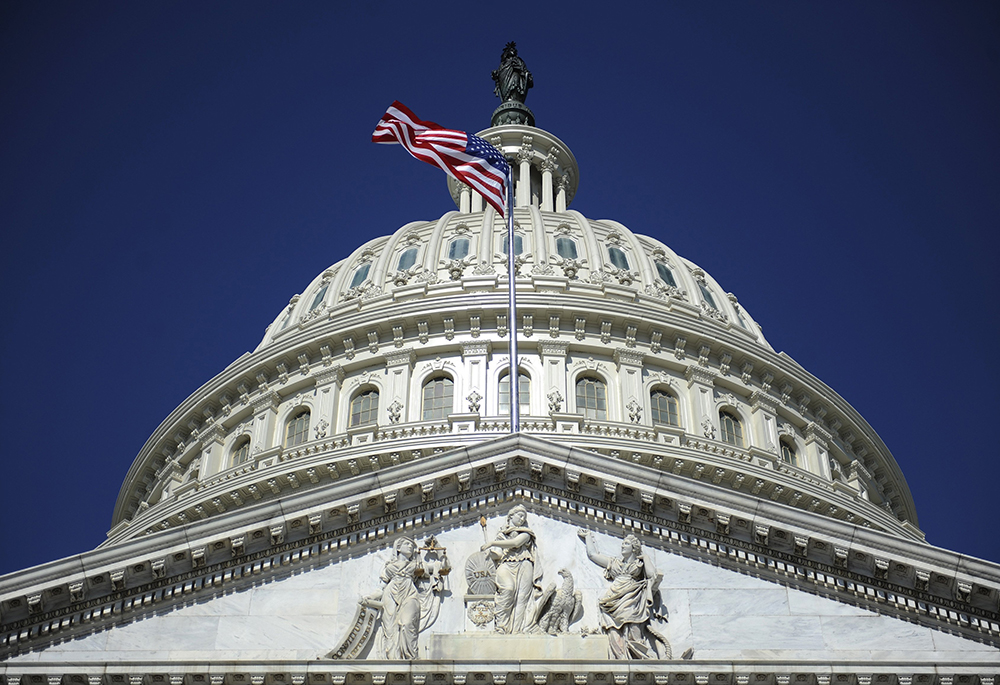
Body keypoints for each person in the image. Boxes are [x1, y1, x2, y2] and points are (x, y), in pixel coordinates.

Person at [578, 529, 669, 659]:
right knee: (612, 628)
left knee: (634, 628)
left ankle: (637, 656)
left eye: (626, 544)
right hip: (612, 599)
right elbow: (593, 555)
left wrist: (646, 558)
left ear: (634, 548)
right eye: (623, 543)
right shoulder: (615, 563)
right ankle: (620, 656)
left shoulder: (639, 563)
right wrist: (587, 537)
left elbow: (651, 575)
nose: (622, 545)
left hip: (632, 597)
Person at [481, 505, 541, 633]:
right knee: (508, 588)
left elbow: (515, 543)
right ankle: (502, 626)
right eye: (519, 515)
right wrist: (490, 553)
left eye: (524, 517)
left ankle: (517, 630)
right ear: (510, 516)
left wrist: (492, 543)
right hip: (506, 563)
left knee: (521, 598)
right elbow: (498, 554)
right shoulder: (501, 535)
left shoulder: (526, 533)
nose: (522, 519)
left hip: (524, 564)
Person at [361, 536, 422, 659]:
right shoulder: (390, 566)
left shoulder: (416, 564)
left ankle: (409, 656)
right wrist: (370, 597)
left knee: (407, 623)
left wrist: (441, 554)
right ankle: (393, 657)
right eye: (407, 543)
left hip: (409, 593)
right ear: (398, 547)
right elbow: (381, 587)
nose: (410, 546)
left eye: (412, 545)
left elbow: (438, 568)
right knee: (390, 629)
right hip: (390, 594)